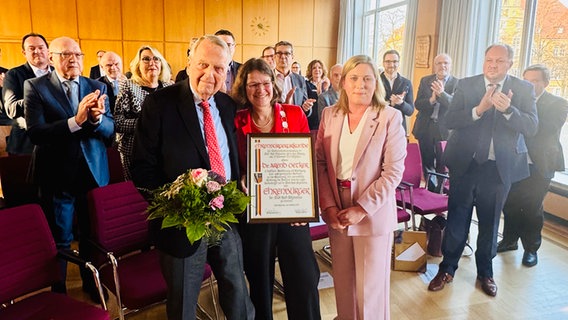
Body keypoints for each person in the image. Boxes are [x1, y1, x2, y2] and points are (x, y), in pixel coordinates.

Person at [131, 35, 254, 320]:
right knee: (184, 302)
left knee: (237, 289)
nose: (210, 75)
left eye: (219, 68)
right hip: (181, 226)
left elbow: (229, 154)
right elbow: (141, 166)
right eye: (203, 65)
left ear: (228, 71)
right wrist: (176, 206)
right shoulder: (160, 104)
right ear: (189, 63)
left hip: (225, 215)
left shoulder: (225, 105)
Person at [427, 44, 538, 297]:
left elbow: (532, 127)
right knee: (457, 219)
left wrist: (508, 110)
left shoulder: (522, 89)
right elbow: (449, 121)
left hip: (498, 169)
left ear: (510, 63)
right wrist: (479, 110)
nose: (493, 65)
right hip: (465, 166)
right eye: (489, 60)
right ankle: (447, 269)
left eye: (499, 61)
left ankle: (485, 273)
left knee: (489, 223)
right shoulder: (466, 84)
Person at [316, 55, 406, 320]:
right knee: (343, 282)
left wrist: (362, 208)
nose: (361, 85)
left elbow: (393, 173)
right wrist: (329, 206)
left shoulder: (390, 117)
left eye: (367, 78)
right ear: (343, 82)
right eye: (354, 78)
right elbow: (320, 162)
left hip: (372, 210)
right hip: (337, 207)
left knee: (370, 289)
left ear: (376, 83)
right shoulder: (330, 114)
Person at [23, 36, 114, 300]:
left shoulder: (97, 85)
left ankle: (91, 282)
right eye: (64, 54)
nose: (72, 59)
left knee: (91, 234)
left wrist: (96, 120)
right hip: (57, 173)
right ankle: (59, 288)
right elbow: (37, 133)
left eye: (77, 54)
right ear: (51, 58)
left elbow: (110, 131)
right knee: (60, 236)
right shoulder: (36, 86)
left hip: (93, 171)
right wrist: (75, 121)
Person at [232, 58, 321, 320]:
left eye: (266, 83)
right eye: (253, 85)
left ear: (274, 84)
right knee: (259, 281)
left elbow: (307, 163)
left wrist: (304, 206)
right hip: (256, 211)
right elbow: (232, 166)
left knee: (304, 276)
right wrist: (241, 180)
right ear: (244, 88)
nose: (261, 90)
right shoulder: (236, 121)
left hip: (293, 212)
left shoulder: (294, 115)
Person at [498, 64, 568, 267]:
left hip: (540, 164)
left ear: (545, 83)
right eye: (526, 80)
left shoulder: (559, 104)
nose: (530, 84)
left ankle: (531, 249)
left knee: (532, 208)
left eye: (535, 80)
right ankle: (509, 240)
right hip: (515, 161)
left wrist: (516, 115)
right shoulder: (517, 101)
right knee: (510, 203)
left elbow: (540, 129)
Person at [114, 45, 172, 181]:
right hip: (134, 152)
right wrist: (147, 124)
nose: (152, 63)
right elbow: (117, 122)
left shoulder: (169, 88)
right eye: (146, 59)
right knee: (139, 195)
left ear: (161, 64)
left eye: (156, 59)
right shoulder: (128, 86)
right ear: (138, 65)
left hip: (164, 152)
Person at [412, 53, 459, 191]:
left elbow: (455, 105)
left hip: (444, 129)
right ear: (434, 65)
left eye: (446, 63)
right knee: (427, 161)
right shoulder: (425, 80)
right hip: (425, 127)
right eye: (439, 63)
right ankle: (430, 190)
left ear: (450, 66)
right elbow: (418, 104)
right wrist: (431, 100)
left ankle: (439, 191)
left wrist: (442, 94)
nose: (442, 66)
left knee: (442, 163)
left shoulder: (457, 83)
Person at [2, 33, 53, 155]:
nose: (37, 51)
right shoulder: (14, 74)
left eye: (41, 47)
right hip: (26, 144)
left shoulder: (58, 73)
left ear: (48, 50)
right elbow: (11, 109)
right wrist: (41, 98)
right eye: (31, 48)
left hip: (57, 141)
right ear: (24, 53)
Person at [273, 41, 315, 126]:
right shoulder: (268, 77)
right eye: (279, 53)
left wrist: (306, 108)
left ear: (292, 57)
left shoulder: (300, 79)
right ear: (274, 56)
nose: (283, 56)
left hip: (294, 124)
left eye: (287, 53)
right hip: (273, 123)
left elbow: (304, 106)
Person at [379, 49, 414, 134]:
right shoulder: (376, 81)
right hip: (379, 126)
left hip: (399, 128)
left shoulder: (406, 83)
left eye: (395, 61)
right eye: (388, 62)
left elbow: (410, 111)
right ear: (383, 63)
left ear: (398, 63)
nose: (391, 65)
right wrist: (390, 104)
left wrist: (401, 103)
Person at [97, 51, 125, 115]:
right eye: (109, 65)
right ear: (102, 67)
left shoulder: (130, 83)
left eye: (116, 64)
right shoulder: (97, 85)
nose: (113, 68)